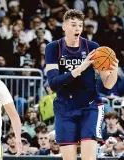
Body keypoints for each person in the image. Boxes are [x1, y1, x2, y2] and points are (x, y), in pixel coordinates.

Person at [45, 9, 119, 160]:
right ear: (64, 27)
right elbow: (53, 84)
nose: (78, 28)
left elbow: (108, 84)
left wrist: (114, 71)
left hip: (89, 106)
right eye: (73, 24)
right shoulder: (53, 48)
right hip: (64, 107)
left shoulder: (92, 47)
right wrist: (81, 68)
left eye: (80, 25)